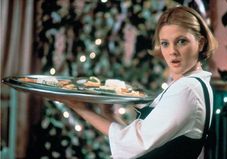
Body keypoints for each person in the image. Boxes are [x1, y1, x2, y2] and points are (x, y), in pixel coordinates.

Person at [52, 6, 218, 159]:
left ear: (200, 43)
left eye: (182, 41)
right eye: (165, 43)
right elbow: (142, 140)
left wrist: (78, 107)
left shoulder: (187, 90)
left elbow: (134, 142)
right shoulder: (195, 84)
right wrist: (110, 114)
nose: (172, 52)